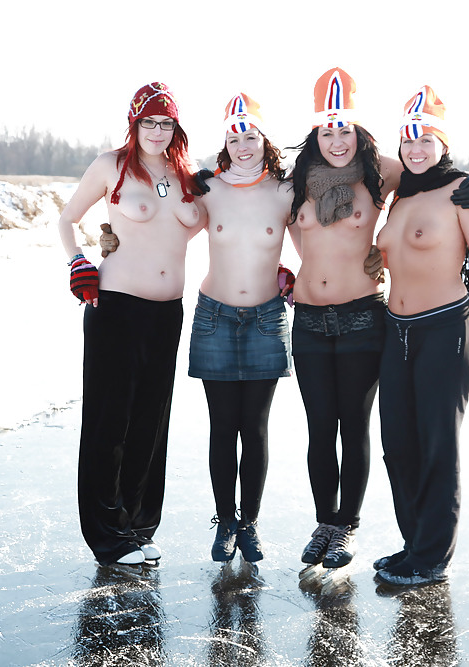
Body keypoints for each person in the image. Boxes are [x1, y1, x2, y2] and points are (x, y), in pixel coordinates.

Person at [288, 68, 469, 570]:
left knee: (377, 431)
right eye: (328, 130)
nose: (337, 140)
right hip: (333, 321)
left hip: (381, 318)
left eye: (346, 130)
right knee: (355, 435)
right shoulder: (297, 180)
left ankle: (392, 543)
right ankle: (359, 531)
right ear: (316, 133)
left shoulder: (381, 172)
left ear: (359, 132)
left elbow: (441, 181)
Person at [101, 94, 300, 564]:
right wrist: (111, 240)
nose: (243, 145)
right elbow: (164, 223)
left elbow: (314, 235)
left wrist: (295, 273)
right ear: (225, 142)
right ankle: (225, 521)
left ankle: (249, 523)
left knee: (254, 427)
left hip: (268, 318)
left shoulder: (287, 190)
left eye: (251, 136)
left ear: (264, 139)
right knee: (222, 426)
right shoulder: (206, 187)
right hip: (214, 316)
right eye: (234, 137)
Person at [57, 81, 206, 567]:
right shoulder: (111, 166)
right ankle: (106, 535)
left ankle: (140, 526)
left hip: (167, 312)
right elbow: (67, 218)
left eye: (166, 123)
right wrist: (77, 262)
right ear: (134, 123)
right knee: (109, 422)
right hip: (116, 308)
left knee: (151, 420)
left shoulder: (187, 175)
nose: (158, 132)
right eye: (149, 122)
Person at [372, 85, 469, 587]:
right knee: (398, 443)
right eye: (409, 140)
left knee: (437, 445)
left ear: (442, 144)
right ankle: (414, 543)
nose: (416, 149)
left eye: (426, 139)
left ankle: (432, 556)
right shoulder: (400, 192)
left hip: (445, 329)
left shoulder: (462, 190)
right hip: (396, 329)